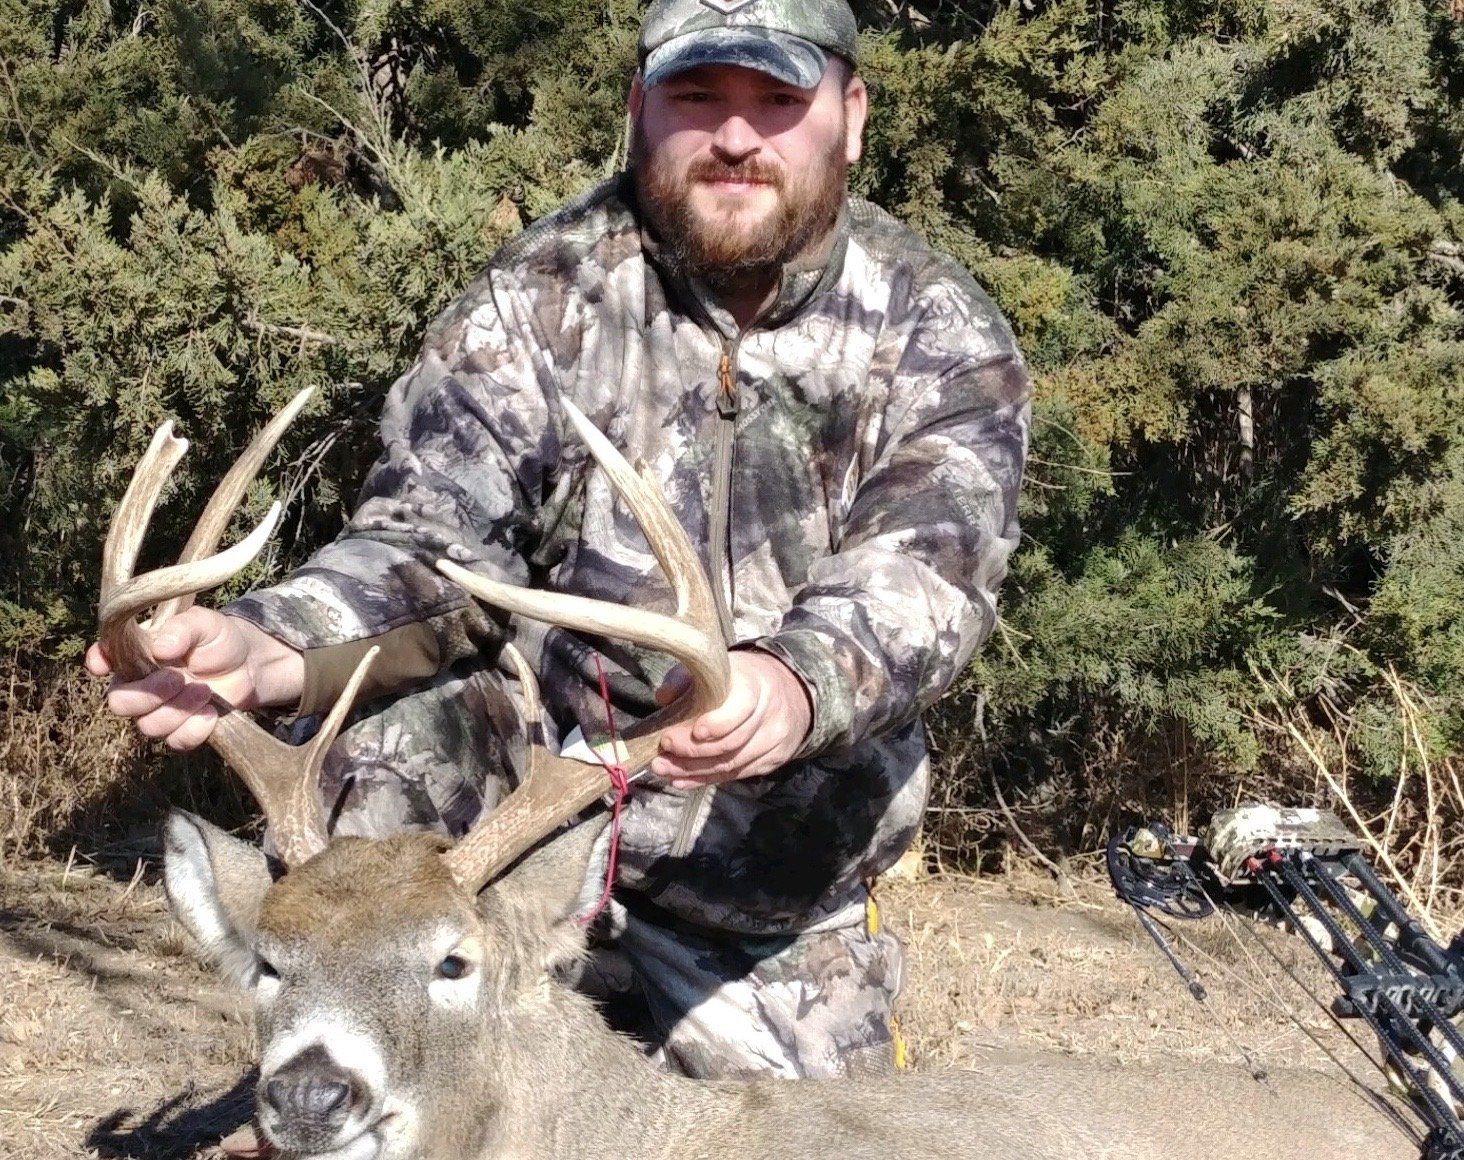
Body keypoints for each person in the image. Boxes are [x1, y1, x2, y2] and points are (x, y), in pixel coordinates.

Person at [88, 0, 1030, 1082]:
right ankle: (352, 1070)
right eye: (696, 96)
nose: (735, 137)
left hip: (764, 892)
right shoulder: (540, 298)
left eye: (777, 100)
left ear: (850, 116)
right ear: (638, 108)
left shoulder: (938, 331)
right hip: (508, 871)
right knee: (387, 726)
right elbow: (430, 541)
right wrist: (277, 641)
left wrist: (792, 682)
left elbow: (928, 568)